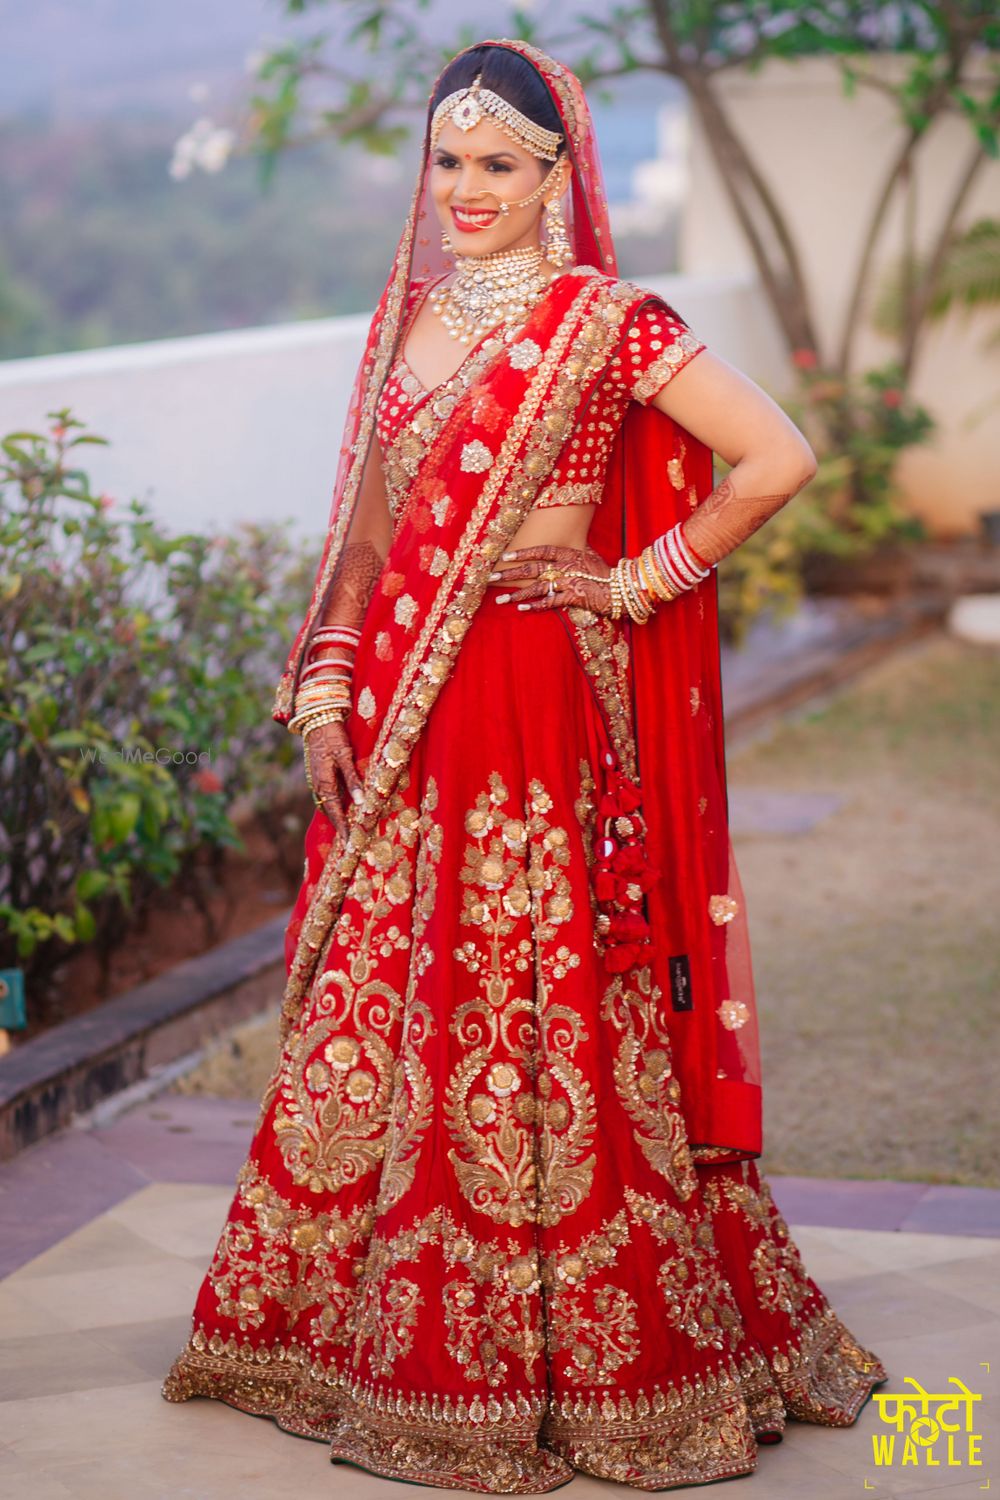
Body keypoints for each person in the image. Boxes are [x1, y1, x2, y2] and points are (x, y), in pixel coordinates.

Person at [162, 37, 887, 1493]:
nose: (467, 189)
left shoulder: (606, 324)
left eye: (499, 163)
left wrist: (628, 583)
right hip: (406, 728)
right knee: (395, 1005)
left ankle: (594, 1355)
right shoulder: (406, 329)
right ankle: (354, 1334)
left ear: (560, 173)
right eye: (448, 162)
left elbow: (777, 458)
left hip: (541, 713)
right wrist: (323, 684)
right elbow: (365, 547)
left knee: (537, 1012)